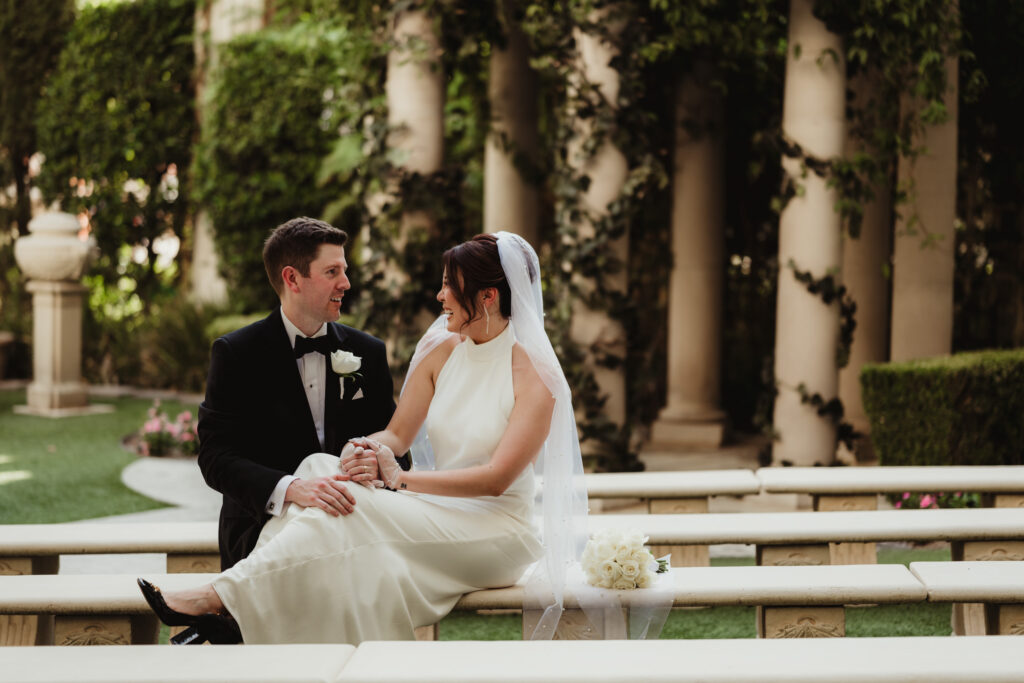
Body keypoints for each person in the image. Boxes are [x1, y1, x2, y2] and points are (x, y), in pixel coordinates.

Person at [139, 232, 589, 645]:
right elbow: (396, 433)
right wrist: (366, 449)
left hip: (496, 531)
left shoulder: (537, 374)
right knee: (321, 466)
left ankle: (224, 600)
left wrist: (398, 479)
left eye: (450, 286)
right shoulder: (440, 350)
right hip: (437, 514)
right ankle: (241, 611)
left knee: (342, 506)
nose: (439, 296)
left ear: (487, 295)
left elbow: (495, 479)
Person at [197, 217, 397, 571]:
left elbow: (396, 447)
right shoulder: (237, 353)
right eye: (332, 272)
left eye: (344, 270)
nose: (346, 283)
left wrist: (375, 460)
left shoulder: (367, 352)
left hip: (355, 529)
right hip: (262, 531)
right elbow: (216, 458)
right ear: (292, 279)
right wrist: (291, 489)